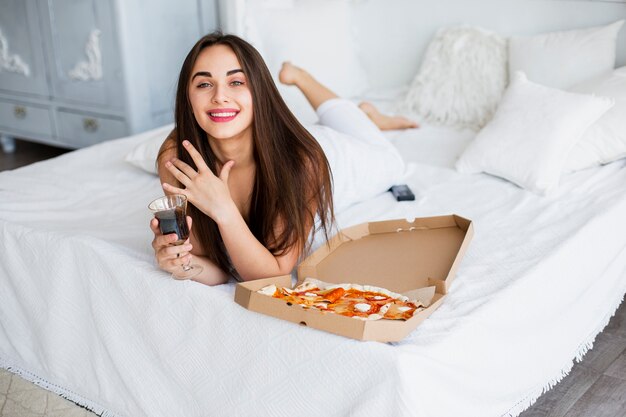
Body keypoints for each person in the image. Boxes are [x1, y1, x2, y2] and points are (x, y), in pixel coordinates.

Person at [150, 32, 418, 286]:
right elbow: (218, 269)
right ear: (188, 97)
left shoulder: (304, 162)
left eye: (236, 82)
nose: (219, 96)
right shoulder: (175, 162)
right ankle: (364, 115)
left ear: (260, 92)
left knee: (393, 163)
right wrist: (180, 263)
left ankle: (304, 79)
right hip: (281, 138)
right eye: (205, 84)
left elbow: (273, 276)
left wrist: (224, 209)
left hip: (330, 154)